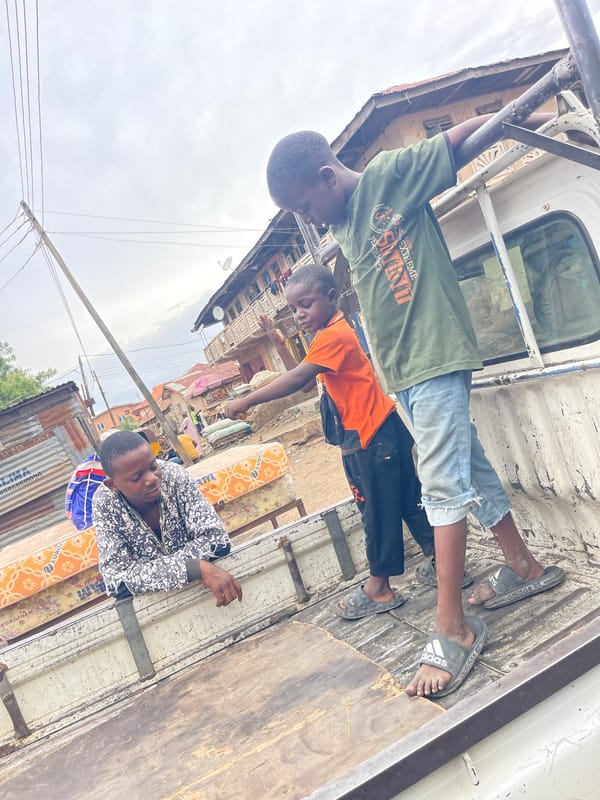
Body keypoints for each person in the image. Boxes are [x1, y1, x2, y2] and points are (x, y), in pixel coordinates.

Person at [265, 115, 564, 698]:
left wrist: (534, 115)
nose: (307, 220)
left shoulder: (389, 176)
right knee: (469, 470)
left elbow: (463, 136)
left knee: (442, 488)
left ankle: (450, 627)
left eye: (304, 205)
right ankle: (525, 567)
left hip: (435, 358)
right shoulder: (347, 225)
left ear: (328, 178)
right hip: (403, 376)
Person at [225, 265, 469, 619]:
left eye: (305, 304)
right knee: (408, 501)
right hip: (386, 428)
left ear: (330, 297)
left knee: (377, 511)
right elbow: (309, 381)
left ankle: (380, 587)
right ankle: (446, 568)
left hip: (368, 438)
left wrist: (247, 400)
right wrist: (279, 342)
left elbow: (297, 381)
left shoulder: (333, 336)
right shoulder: (333, 332)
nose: (299, 315)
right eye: (294, 310)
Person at [92, 430, 242, 605]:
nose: (152, 479)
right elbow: (116, 581)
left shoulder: (174, 476)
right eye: (136, 477)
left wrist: (153, 573)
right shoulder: (105, 503)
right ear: (113, 485)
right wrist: (194, 568)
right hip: (157, 610)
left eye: (153, 467)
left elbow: (217, 541)